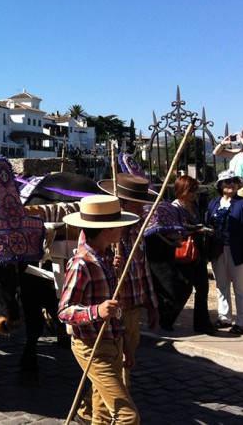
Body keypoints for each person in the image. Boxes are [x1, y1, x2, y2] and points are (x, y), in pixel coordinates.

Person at [59, 194, 140, 425]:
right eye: (118, 225)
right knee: (127, 417)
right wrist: (96, 312)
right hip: (91, 347)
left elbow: (114, 307)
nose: (122, 229)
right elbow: (64, 311)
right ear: (106, 230)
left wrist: (125, 341)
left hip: (111, 343)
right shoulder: (81, 264)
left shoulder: (107, 259)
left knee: (103, 414)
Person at [97, 173, 159, 389]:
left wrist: (151, 305)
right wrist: (109, 266)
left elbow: (144, 270)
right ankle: (118, 414)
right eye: (138, 205)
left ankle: (91, 410)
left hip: (133, 309)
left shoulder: (138, 230)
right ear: (121, 203)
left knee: (125, 363)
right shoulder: (102, 230)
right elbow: (89, 269)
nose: (143, 210)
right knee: (114, 366)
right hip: (113, 311)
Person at [206, 170, 243, 335]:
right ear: (220, 185)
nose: (231, 184)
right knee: (221, 285)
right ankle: (224, 317)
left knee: (240, 287)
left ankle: (241, 322)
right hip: (218, 250)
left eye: (234, 181)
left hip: (238, 250)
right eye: (227, 181)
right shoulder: (214, 203)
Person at [172, 175, 215, 334]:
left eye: (195, 191)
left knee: (203, 288)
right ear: (182, 190)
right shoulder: (175, 207)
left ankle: (202, 324)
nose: (194, 194)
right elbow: (175, 228)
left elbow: (200, 222)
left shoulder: (195, 204)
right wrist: (195, 229)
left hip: (199, 251)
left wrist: (206, 229)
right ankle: (167, 318)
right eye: (191, 191)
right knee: (184, 289)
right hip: (185, 252)